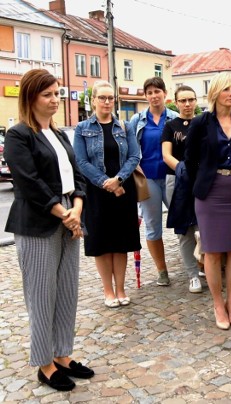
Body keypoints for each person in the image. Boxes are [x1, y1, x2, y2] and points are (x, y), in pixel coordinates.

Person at [4, 69, 94, 391]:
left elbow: (77, 174)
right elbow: (28, 182)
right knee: (42, 296)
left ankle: (62, 354)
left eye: (57, 93)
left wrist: (78, 207)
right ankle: (44, 364)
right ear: (31, 97)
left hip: (69, 216)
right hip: (39, 223)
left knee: (67, 292)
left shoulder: (59, 133)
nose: (55, 99)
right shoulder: (19, 135)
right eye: (48, 94)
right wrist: (63, 213)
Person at [184, 72, 231, 330]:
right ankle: (217, 304)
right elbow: (189, 160)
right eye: (227, 89)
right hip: (211, 192)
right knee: (212, 250)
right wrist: (201, 183)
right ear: (215, 93)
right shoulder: (201, 122)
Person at [74, 80, 142, 307]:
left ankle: (121, 288)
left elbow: (134, 156)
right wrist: (105, 182)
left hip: (123, 191)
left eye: (110, 98)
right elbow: (81, 161)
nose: (106, 102)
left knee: (121, 241)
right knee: (101, 242)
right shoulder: (82, 128)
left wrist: (118, 179)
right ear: (92, 100)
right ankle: (108, 291)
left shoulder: (124, 126)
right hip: (96, 193)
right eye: (101, 97)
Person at [128, 77, 179, 286]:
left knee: (184, 221)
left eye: (157, 91)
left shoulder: (175, 118)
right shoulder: (137, 120)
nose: (153, 96)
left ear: (164, 94)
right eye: (149, 92)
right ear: (145, 96)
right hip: (147, 178)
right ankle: (162, 270)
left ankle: (198, 265)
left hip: (172, 177)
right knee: (152, 226)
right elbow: (130, 150)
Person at [162, 85, 201, 294]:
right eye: (183, 100)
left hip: (202, 180)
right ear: (176, 103)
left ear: (196, 101)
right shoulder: (170, 126)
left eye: (191, 100)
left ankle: (205, 263)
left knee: (203, 227)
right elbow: (166, 154)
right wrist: (182, 169)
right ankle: (192, 275)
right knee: (184, 230)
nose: (187, 104)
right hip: (177, 180)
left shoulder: (204, 122)